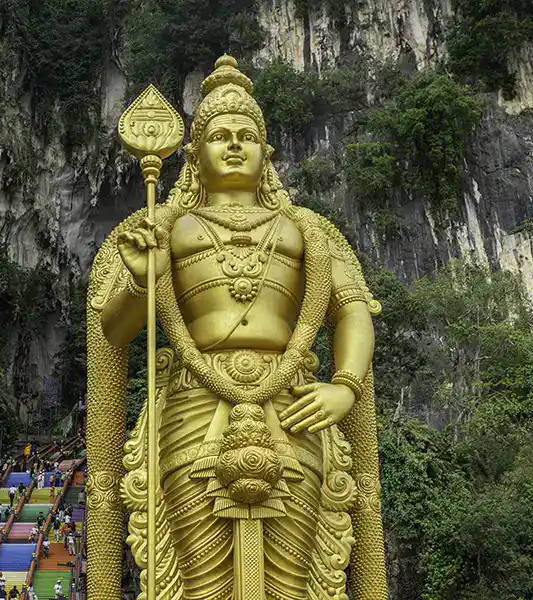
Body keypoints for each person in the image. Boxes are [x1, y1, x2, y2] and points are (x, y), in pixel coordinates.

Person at [86, 55, 385, 598]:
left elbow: (352, 309)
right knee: (201, 580)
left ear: (265, 154)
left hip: (294, 405)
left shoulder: (308, 231)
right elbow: (113, 331)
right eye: (219, 135)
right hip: (194, 408)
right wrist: (141, 281)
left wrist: (345, 386)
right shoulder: (167, 228)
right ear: (194, 154)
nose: (233, 144)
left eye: (246, 135)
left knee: (295, 579)